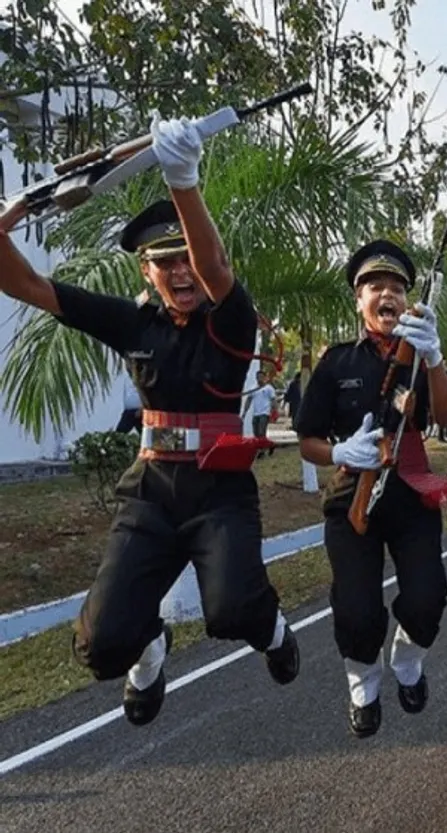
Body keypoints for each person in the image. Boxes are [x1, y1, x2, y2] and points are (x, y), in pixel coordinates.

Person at [0, 114, 300, 725]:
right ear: (146, 270)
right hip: (152, 491)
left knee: (233, 612)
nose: (182, 271)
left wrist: (182, 179)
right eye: (166, 262)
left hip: (220, 491)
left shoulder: (231, 317)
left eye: (186, 257)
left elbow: (217, 268)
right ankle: (151, 649)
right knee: (101, 644)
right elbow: (27, 284)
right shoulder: (132, 322)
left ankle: (274, 631)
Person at [294, 240, 447, 737]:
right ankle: (364, 684)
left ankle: (407, 663)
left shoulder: (420, 356)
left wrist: (434, 357)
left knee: (428, 598)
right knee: (357, 610)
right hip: (353, 491)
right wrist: (339, 452)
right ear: (359, 300)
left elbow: (446, 417)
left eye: (397, 289)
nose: (388, 295)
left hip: (410, 492)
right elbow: (307, 440)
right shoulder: (337, 362)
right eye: (375, 287)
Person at [242, 369, 276, 456]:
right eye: (258, 377)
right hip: (256, 413)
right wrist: (245, 412)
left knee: (261, 432)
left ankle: (262, 451)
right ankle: (270, 445)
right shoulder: (253, 388)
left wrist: (274, 411)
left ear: (264, 378)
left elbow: (273, 400)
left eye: (261, 377)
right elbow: (248, 400)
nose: (259, 378)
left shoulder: (269, 388)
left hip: (265, 413)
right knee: (256, 433)